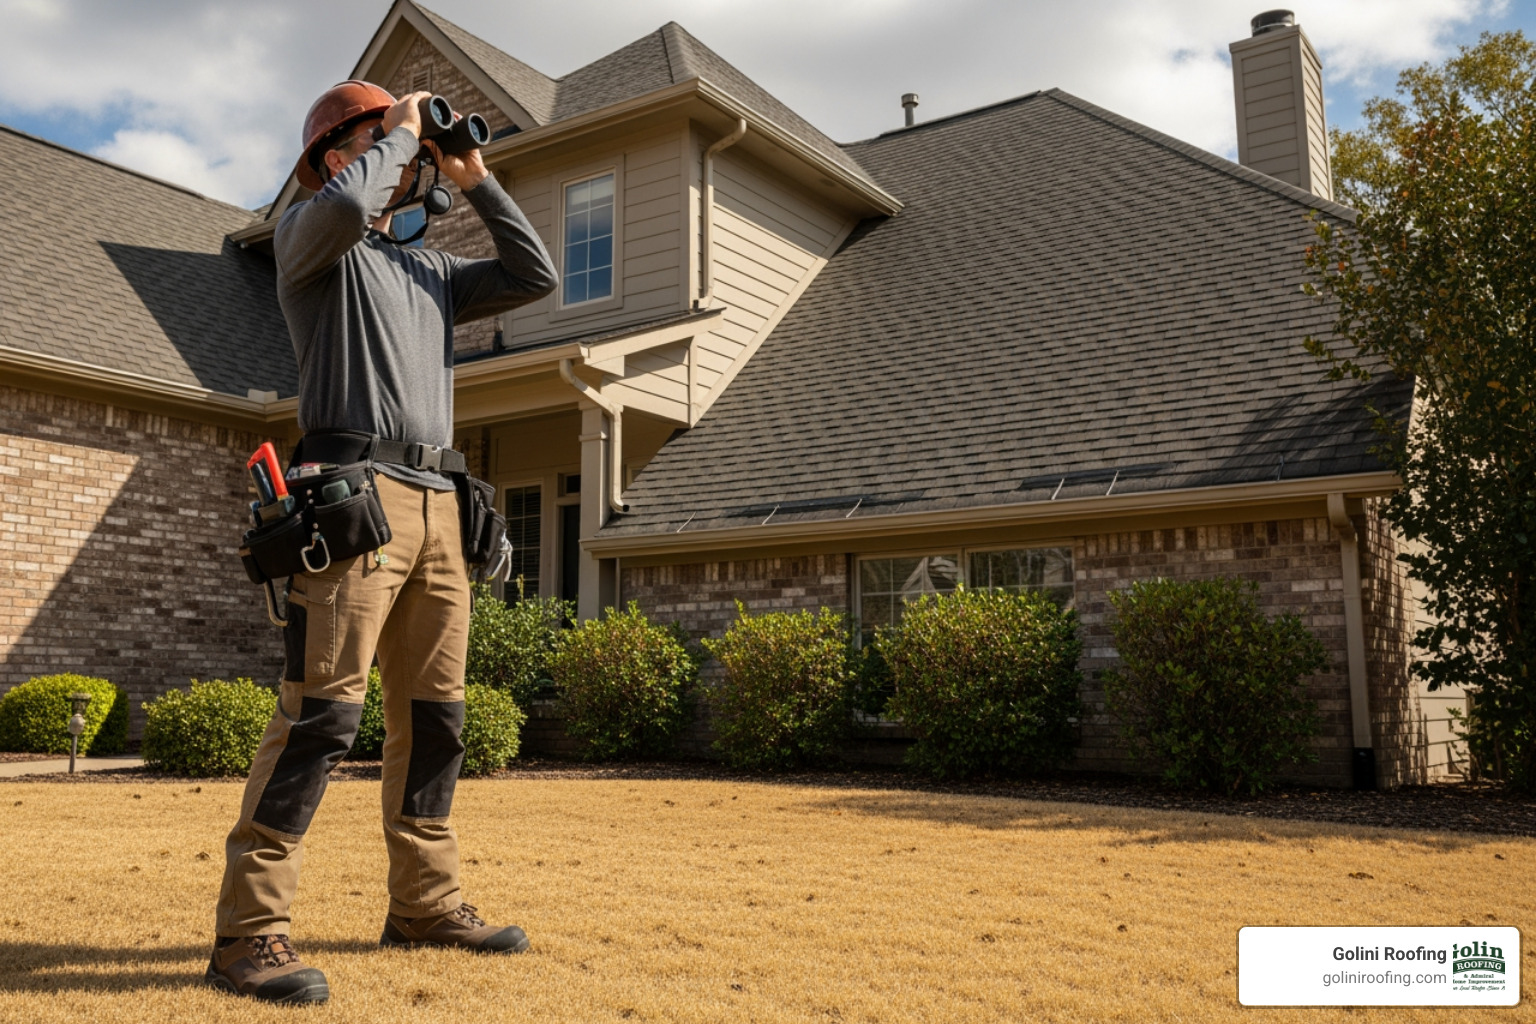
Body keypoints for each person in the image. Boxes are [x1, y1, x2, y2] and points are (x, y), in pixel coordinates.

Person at [206, 81, 557, 1005]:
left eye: (409, 143)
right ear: (334, 155)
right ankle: (249, 935)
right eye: (377, 139)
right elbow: (357, 202)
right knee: (323, 713)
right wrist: (398, 131)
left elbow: (536, 276)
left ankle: (426, 906)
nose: (412, 153)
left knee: (437, 721)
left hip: (442, 501)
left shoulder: (434, 274)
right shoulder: (312, 243)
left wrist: (476, 178)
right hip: (351, 498)